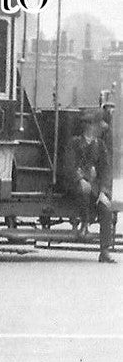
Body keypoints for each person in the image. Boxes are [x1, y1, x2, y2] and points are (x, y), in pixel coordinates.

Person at [66, 108, 115, 263]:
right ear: (90, 126)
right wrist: (80, 178)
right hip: (75, 186)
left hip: (94, 188)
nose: (100, 129)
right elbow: (68, 165)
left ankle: (104, 250)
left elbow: (106, 171)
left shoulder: (100, 146)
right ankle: (84, 223)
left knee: (105, 209)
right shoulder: (74, 143)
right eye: (97, 126)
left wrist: (103, 192)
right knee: (83, 189)